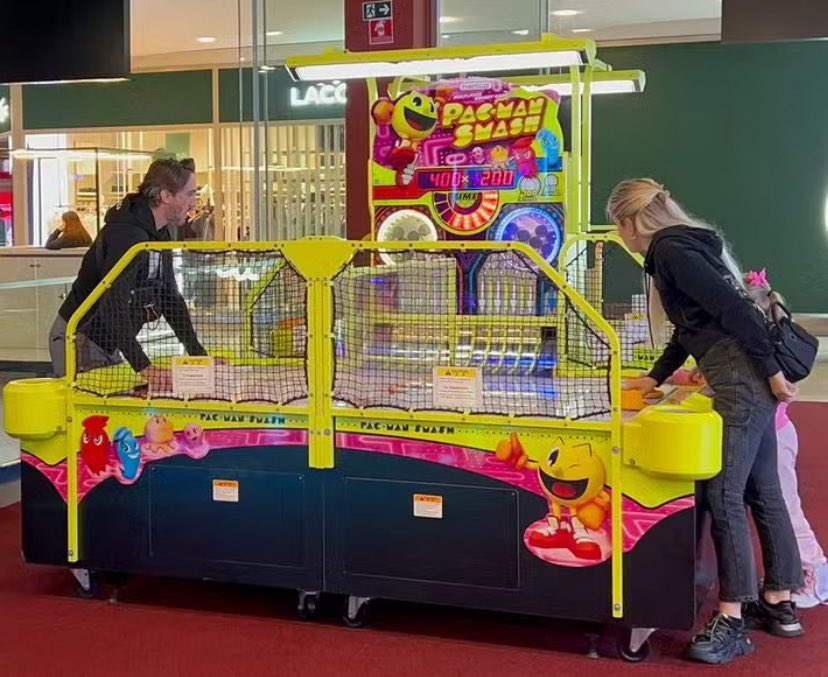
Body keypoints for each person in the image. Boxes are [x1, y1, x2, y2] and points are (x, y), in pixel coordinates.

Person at [608, 178, 803, 665]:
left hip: (742, 379)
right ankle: (780, 601)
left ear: (630, 223)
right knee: (762, 489)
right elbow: (693, 327)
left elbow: (733, 310)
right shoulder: (688, 243)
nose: (622, 238)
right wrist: (655, 378)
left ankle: (732, 619)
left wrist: (772, 373)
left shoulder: (670, 250)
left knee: (724, 492)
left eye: (618, 229)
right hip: (744, 376)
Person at [49, 157, 208, 390]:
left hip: (108, 339)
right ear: (165, 196)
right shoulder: (128, 236)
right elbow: (112, 304)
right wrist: (144, 366)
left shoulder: (160, 233)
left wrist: (199, 355)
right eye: (189, 194)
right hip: (81, 336)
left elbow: (169, 297)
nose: (194, 203)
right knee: (93, 418)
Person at [744, 268, 828, 609]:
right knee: (781, 508)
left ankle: (816, 575)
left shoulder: (762, 351)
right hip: (778, 435)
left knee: (787, 510)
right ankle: (798, 572)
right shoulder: (771, 342)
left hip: (775, 441)